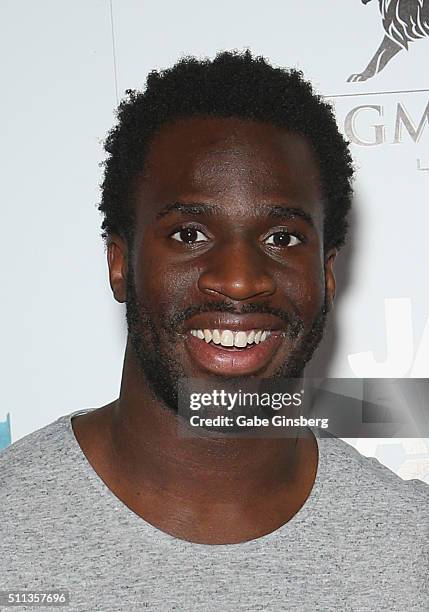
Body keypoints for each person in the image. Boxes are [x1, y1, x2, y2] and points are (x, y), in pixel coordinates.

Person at [1, 50, 427, 611]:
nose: (240, 279)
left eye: (283, 238)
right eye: (189, 234)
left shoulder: (412, 551)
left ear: (326, 273)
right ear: (120, 264)